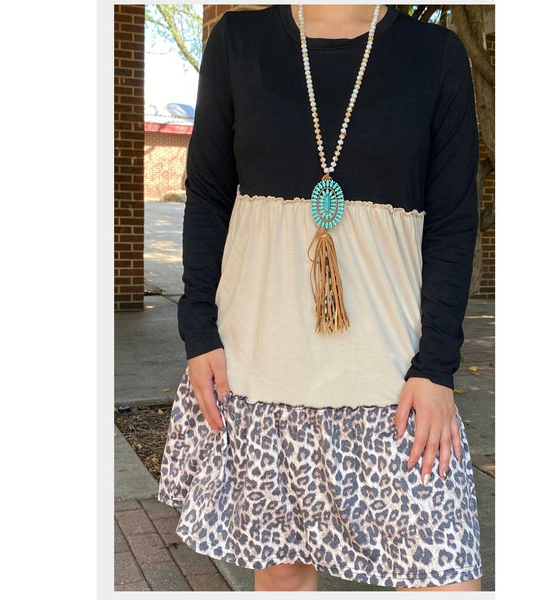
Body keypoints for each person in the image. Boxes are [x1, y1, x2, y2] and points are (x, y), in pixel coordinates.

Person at [158, 4, 483, 592]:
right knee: (283, 576)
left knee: (446, 578)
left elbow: (453, 224)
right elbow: (207, 196)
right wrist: (198, 330)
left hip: (395, 379)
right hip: (260, 371)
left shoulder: (436, 55)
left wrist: (437, 366)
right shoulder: (238, 42)